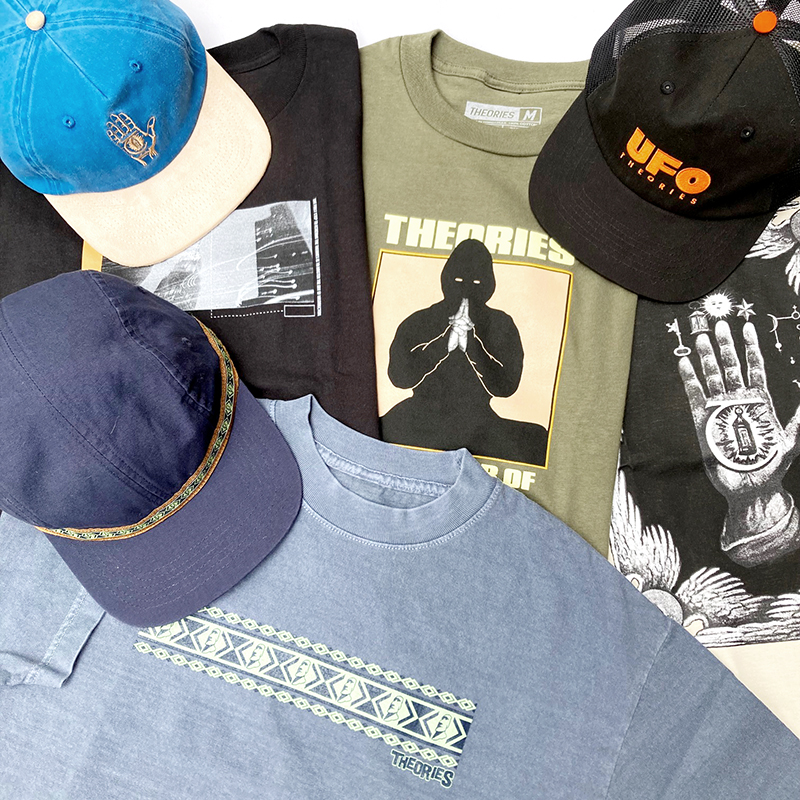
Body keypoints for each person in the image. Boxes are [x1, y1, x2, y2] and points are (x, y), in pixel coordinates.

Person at [381, 238, 546, 464]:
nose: (466, 288)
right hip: (420, 414)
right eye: (458, 280)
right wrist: (443, 345)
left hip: (479, 420)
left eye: (477, 282)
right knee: (373, 433)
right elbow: (398, 377)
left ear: (489, 284)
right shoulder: (419, 320)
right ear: (446, 278)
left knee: (536, 441)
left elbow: (507, 386)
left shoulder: (501, 323)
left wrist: (472, 346)